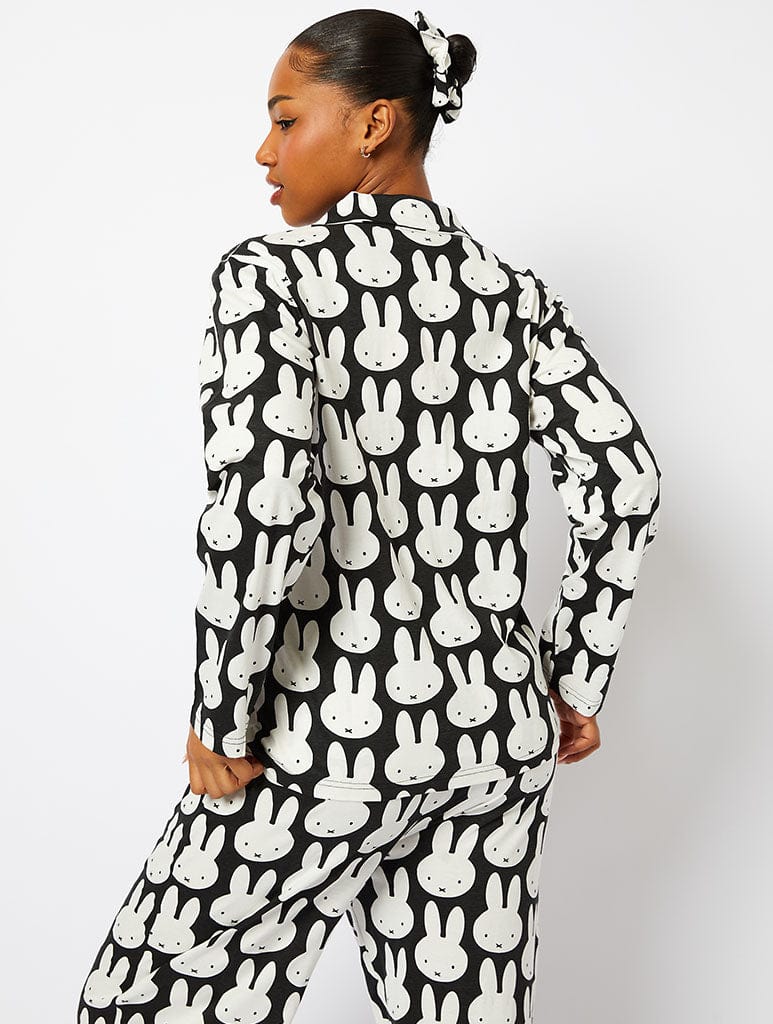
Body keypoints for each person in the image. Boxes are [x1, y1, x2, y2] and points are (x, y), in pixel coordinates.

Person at [76, 9, 662, 1023]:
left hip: (321, 734)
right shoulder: (512, 296)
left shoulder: (272, 280)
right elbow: (623, 480)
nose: (264, 152)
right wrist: (570, 679)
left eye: (285, 118)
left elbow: (266, 505)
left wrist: (222, 711)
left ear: (375, 123)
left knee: (141, 1001)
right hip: (494, 735)